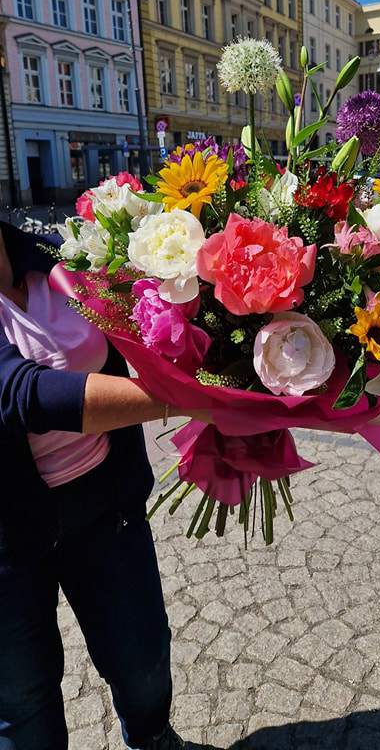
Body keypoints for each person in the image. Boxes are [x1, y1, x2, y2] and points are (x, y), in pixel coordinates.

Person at [0, 221, 208, 750]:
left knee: (143, 664)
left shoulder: (54, 248)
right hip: (7, 536)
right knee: (24, 707)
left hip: (106, 502)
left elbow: (137, 316)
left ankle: (155, 740)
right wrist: (194, 397)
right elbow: (24, 394)